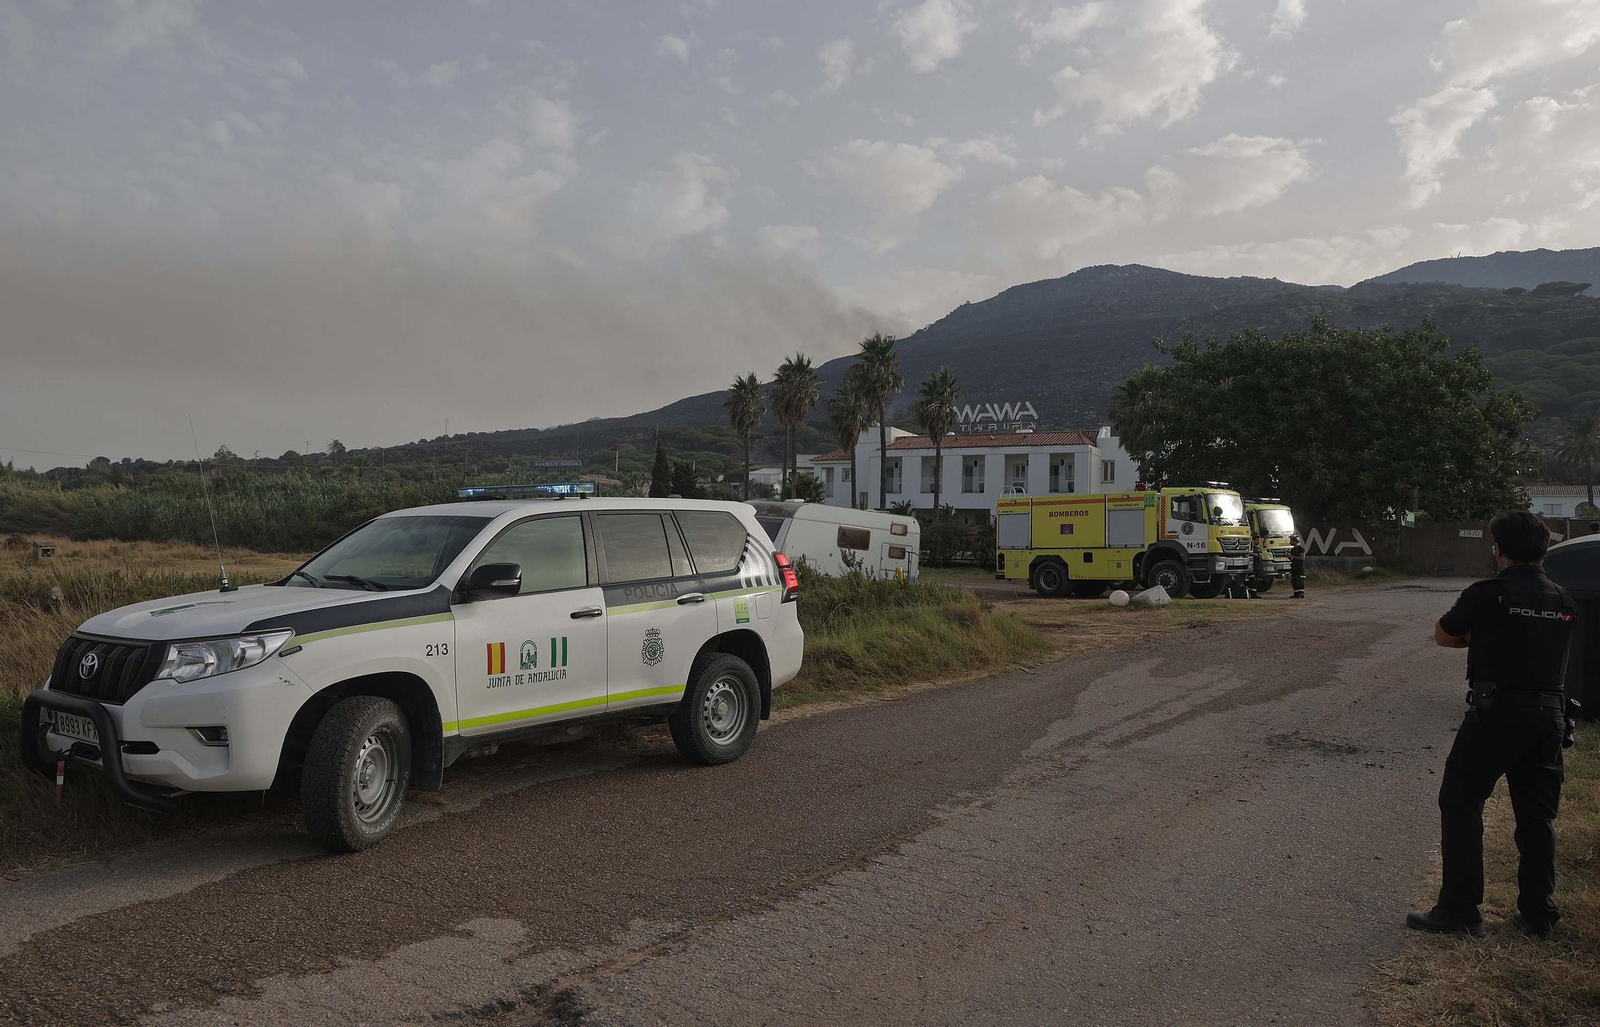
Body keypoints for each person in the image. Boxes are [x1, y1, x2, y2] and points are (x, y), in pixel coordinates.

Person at [1407, 510, 1575, 939]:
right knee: (1537, 819)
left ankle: (1460, 910)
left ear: (1498, 549)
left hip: (1496, 715)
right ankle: (1539, 915)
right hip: (1549, 716)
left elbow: (1445, 635)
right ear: (1542, 549)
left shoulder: (1486, 595)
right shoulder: (1562, 598)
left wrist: (1481, 636)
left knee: (1460, 803)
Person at [1288, 534, 1306, 599]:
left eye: (1291, 540)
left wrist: (1292, 556)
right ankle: (1296, 593)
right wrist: (1289, 557)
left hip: (1299, 567)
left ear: (1295, 541)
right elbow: (1292, 559)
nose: (1290, 542)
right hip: (1294, 567)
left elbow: (1302, 558)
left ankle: (1301, 593)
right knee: (1294, 580)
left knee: (1300, 580)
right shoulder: (1292, 550)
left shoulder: (1301, 549)